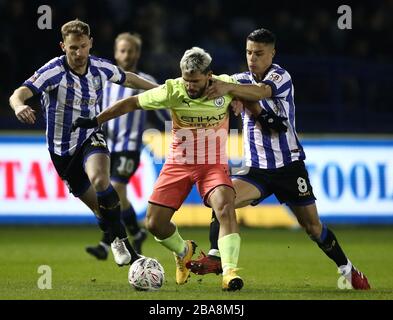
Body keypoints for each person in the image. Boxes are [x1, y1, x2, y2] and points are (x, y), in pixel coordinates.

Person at [186, 28, 371, 290]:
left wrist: (232, 91)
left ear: (272, 53)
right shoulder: (238, 79)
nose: (252, 58)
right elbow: (216, 84)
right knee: (223, 197)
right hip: (256, 170)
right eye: (249, 52)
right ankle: (217, 256)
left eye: (259, 53)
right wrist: (228, 98)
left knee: (313, 227)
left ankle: (348, 269)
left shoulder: (280, 76)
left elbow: (261, 92)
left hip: (288, 167)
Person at [71, 46, 261, 291]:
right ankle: (184, 251)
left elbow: (257, 92)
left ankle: (230, 272)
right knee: (154, 224)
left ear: (209, 76)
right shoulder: (173, 90)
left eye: (195, 81)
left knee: (225, 206)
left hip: (212, 165)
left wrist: (237, 95)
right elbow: (130, 103)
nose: (190, 86)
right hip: (178, 165)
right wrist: (96, 120)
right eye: (186, 79)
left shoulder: (224, 86)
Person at [9, 19, 158, 267]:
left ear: (90, 44)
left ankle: (125, 246)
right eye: (72, 49)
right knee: (101, 211)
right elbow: (19, 94)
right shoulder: (52, 72)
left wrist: (161, 89)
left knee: (102, 180)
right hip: (61, 152)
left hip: (89, 136)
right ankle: (116, 237)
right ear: (62, 47)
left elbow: (129, 79)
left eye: (82, 46)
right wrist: (19, 106)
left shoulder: (100, 67)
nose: (78, 53)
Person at [85, 32, 170, 260]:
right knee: (114, 195)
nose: (126, 54)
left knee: (116, 188)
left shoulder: (143, 80)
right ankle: (135, 232)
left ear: (137, 53)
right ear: (116, 52)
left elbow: (162, 112)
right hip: (106, 147)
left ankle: (108, 243)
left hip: (130, 147)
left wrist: (175, 126)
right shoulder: (105, 81)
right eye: (122, 50)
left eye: (130, 50)